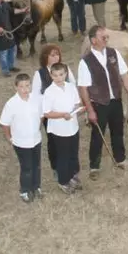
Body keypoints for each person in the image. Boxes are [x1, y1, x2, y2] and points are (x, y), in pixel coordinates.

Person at [77, 25, 128, 179]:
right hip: (99, 104)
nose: (106, 40)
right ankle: (94, 166)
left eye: (107, 37)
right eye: (103, 37)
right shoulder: (85, 62)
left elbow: (124, 76)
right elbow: (83, 88)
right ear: (93, 40)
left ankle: (121, 159)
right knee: (98, 135)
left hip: (115, 100)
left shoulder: (113, 53)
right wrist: (90, 110)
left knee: (118, 131)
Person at [33, 44, 77, 181]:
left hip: (69, 114)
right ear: (45, 57)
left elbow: (73, 85)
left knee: (70, 143)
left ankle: (70, 169)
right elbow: (36, 95)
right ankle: (56, 167)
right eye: (52, 55)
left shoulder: (66, 69)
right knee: (54, 142)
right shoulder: (39, 74)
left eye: (57, 54)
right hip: (51, 113)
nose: (55, 57)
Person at [0, 73, 43, 203]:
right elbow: (4, 123)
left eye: (27, 86)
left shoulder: (36, 99)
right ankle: (25, 190)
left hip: (36, 139)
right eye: (21, 86)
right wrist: (9, 137)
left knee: (37, 165)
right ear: (16, 88)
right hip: (21, 142)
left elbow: (41, 115)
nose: (25, 89)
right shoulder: (11, 104)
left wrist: (37, 128)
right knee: (27, 167)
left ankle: (36, 186)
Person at [42, 63, 85, 194]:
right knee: (63, 156)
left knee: (73, 153)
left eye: (61, 74)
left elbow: (77, 103)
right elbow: (47, 113)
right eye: (55, 75)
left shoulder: (71, 87)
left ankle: (72, 176)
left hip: (73, 127)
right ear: (51, 76)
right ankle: (63, 181)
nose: (59, 78)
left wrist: (79, 109)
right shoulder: (49, 92)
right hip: (59, 130)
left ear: (66, 74)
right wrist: (62, 115)